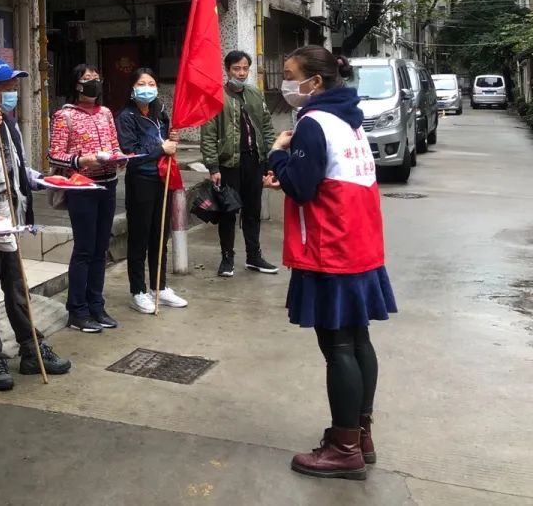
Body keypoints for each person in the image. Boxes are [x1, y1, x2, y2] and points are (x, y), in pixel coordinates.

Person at [266, 45, 397, 480]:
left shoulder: (313, 122)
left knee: (338, 347)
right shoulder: (349, 119)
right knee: (358, 341)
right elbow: (323, 177)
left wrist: (277, 154)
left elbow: (302, 187)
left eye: (290, 75)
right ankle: (360, 434)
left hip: (331, 247)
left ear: (315, 81)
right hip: (359, 243)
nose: (285, 82)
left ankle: (344, 450)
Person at [0, 59, 72, 391]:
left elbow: (19, 168)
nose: (12, 93)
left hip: (11, 217)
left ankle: (31, 348)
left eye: (14, 88)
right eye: (6, 88)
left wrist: (45, 180)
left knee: (17, 288)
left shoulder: (10, 124)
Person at [49, 63, 122, 334]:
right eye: (87, 78)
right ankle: (77, 310)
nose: (93, 82)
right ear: (77, 85)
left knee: (101, 248)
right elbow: (55, 154)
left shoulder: (106, 113)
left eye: (96, 78)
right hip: (82, 188)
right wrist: (81, 161)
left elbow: (114, 146)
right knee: (84, 249)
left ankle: (96, 305)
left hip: (108, 185)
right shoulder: (64, 116)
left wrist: (120, 157)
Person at [114, 67, 188, 314]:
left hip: (162, 178)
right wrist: (161, 149)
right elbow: (130, 153)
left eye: (152, 84)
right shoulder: (126, 117)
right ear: (133, 88)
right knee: (139, 236)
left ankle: (160, 286)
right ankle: (138, 290)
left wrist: (172, 137)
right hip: (141, 180)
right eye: (142, 84)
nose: (147, 88)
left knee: (160, 234)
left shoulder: (160, 111)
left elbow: (165, 140)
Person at [200, 50, 279, 277]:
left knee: (253, 211)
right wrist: (213, 166)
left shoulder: (255, 94)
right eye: (236, 68)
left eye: (245, 68)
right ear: (227, 70)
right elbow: (208, 134)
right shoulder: (216, 96)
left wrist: (270, 157)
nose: (241, 73)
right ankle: (227, 258)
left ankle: (254, 256)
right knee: (228, 211)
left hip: (254, 160)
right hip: (229, 163)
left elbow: (266, 126)